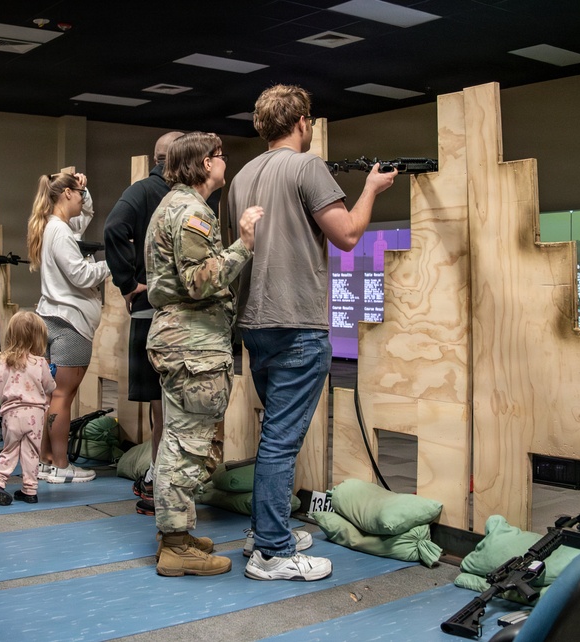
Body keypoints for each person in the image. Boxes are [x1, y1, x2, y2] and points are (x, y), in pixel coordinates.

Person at [227, 84, 396, 582]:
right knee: (281, 439)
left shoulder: (242, 176)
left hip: (255, 322)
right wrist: (370, 190)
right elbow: (346, 235)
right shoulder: (307, 166)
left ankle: (266, 531)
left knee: (274, 434)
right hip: (296, 320)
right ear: (303, 122)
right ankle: (274, 552)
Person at [144, 131, 263, 577]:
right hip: (192, 342)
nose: (223, 161)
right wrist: (244, 243)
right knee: (189, 446)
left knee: (178, 440)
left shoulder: (175, 205)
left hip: (180, 340)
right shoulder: (193, 211)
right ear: (201, 164)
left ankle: (176, 533)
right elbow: (198, 281)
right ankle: (176, 547)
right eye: (218, 155)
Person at [103, 131, 184, 516]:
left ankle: (156, 479)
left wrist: (129, 283)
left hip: (149, 313)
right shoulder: (160, 193)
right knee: (172, 409)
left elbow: (115, 230)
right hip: (165, 316)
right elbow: (112, 230)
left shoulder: (145, 191)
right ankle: (165, 487)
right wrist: (128, 283)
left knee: (160, 410)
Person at [27, 171, 110, 484]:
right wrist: (113, 262)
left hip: (54, 321)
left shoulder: (57, 226)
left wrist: (85, 189)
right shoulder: (59, 232)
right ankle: (61, 465)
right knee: (62, 397)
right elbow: (81, 275)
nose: (81, 199)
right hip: (70, 324)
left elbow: (84, 214)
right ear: (65, 194)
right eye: (78, 193)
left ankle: (47, 461)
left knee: (54, 397)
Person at [0, 311, 56, 506]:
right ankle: (30, 490)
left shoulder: (2, 361)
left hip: (11, 414)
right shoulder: (40, 363)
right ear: (38, 337)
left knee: (10, 449)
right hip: (36, 415)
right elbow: (50, 387)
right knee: (31, 452)